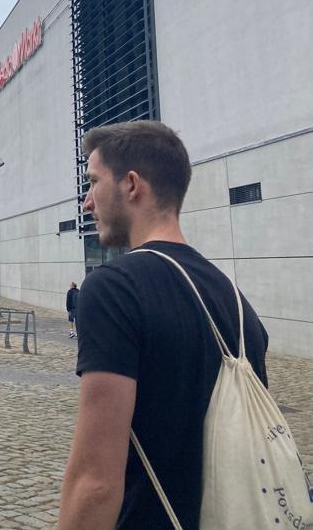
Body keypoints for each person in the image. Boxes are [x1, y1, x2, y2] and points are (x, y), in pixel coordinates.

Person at [59, 121, 268, 530]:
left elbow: (96, 482)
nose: (86, 203)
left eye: (94, 182)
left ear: (131, 184)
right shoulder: (234, 298)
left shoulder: (113, 288)